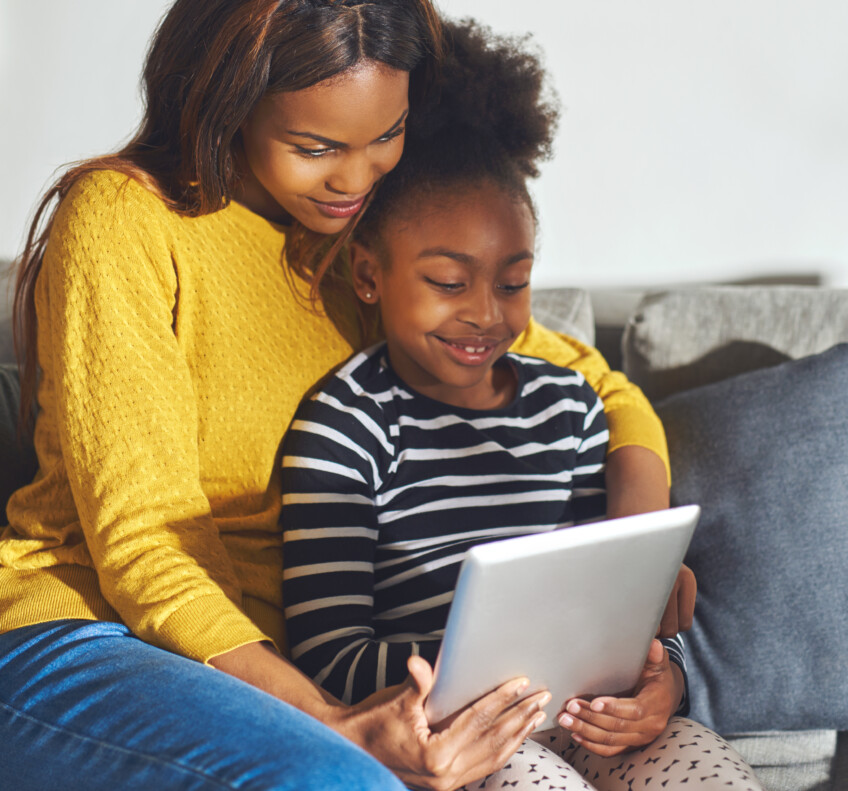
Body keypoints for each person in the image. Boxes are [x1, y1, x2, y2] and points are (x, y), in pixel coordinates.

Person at [0, 2, 685, 789]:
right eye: (316, 146)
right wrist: (335, 723)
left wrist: (637, 582)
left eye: (385, 136)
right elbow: (145, 545)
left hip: (271, 669)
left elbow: (604, 387)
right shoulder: (124, 221)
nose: (355, 179)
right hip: (88, 634)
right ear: (230, 102)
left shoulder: (362, 247)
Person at [279, 19, 763, 791]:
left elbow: (620, 602)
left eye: (512, 282)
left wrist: (658, 676)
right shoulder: (345, 426)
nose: (486, 313)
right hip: (454, 735)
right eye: (448, 282)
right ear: (369, 275)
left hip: (582, 714)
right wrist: (480, 667)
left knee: (708, 770)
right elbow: (327, 653)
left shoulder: (569, 409)